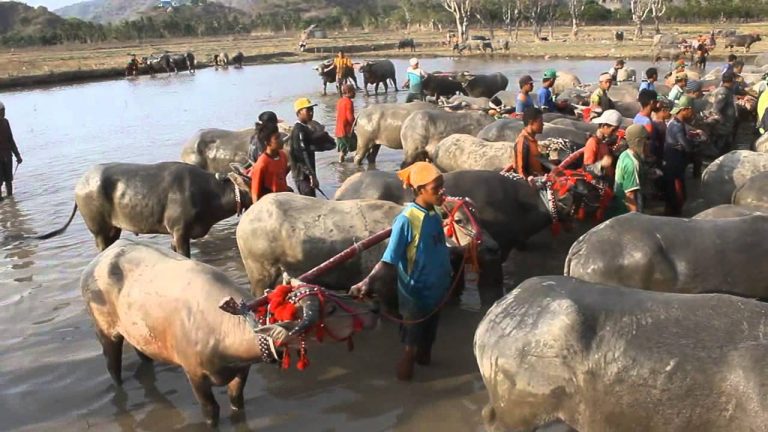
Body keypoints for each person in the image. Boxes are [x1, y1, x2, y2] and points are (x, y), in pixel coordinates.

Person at [349, 161, 452, 381]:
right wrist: (367, 282)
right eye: (436, 188)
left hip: (437, 291)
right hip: (416, 295)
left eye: (442, 186)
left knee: (429, 340)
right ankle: (405, 389)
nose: (442, 192)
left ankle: (427, 377)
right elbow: (389, 260)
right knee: (410, 347)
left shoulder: (434, 213)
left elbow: (437, 247)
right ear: (420, 190)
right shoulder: (406, 220)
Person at [663, 96, 696, 216]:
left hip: (673, 164)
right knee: (678, 197)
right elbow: (687, 146)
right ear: (685, 109)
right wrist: (694, 141)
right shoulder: (677, 126)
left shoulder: (675, 122)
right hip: (675, 166)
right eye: (691, 109)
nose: (692, 112)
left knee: (673, 197)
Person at [609, 124, 648, 216]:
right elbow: (630, 195)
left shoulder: (625, 154)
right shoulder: (633, 163)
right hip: (626, 213)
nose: (648, 143)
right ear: (639, 141)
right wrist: (636, 219)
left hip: (619, 210)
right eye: (646, 139)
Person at [250, 122, 290, 202]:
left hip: (284, 199)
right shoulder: (262, 164)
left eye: (280, 137)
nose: (281, 140)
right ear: (267, 143)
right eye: (277, 138)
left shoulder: (282, 156)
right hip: (271, 203)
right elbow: (255, 193)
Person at [289, 98, 320, 197]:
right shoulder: (299, 131)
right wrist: (311, 175)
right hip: (303, 177)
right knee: (311, 205)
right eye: (308, 110)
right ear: (299, 112)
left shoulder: (304, 129)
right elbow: (301, 155)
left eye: (312, 110)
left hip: (304, 175)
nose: (311, 113)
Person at [503, 107, 545, 178]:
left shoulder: (532, 140)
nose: (543, 124)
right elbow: (520, 171)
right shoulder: (522, 142)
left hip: (539, 177)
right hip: (532, 182)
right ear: (531, 122)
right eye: (540, 121)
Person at [585, 109, 621, 179]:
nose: (615, 133)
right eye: (613, 130)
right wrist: (601, 164)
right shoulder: (593, 142)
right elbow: (587, 169)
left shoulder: (604, 142)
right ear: (604, 126)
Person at [0, 102, 21, 201]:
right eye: (1, 111)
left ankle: (11, 200)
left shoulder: (5, 122)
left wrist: (17, 155)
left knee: (9, 180)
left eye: (3, 111)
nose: (3, 113)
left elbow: (11, 139)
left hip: (7, 155)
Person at [335, 84, 356, 163]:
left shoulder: (340, 101)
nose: (355, 93)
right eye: (353, 91)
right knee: (358, 147)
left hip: (339, 130)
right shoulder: (349, 102)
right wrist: (355, 123)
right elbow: (349, 116)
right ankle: (358, 166)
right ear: (348, 92)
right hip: (347, 131)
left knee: (342, 151)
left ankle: (341, 163)